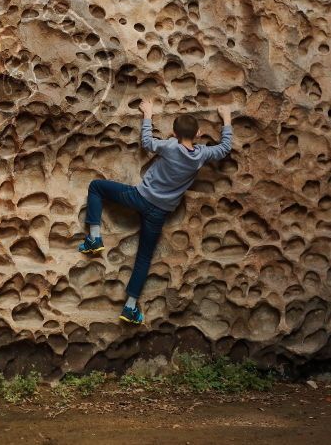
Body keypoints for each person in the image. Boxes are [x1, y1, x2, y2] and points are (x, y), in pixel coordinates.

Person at [78, 98, 233, 325]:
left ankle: (94, 237)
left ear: (173, 132)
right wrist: (226, 118)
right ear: (199, 133)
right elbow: (225, 147)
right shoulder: (201, 155)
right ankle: (130, 308)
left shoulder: (170, 146)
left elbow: (148, 142)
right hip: (159, 212)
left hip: (140, 198)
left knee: (96, 187)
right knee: (143, 258)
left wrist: (148, 114)